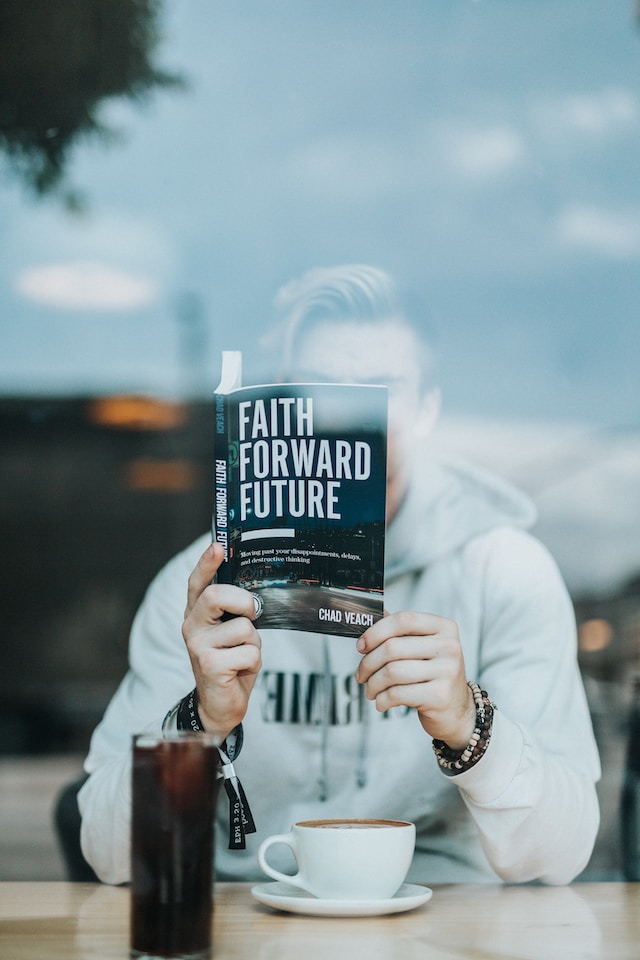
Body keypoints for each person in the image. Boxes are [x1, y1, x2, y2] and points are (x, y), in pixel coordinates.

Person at [78, 264, 600, 886]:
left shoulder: (504, 573)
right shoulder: (205, 584)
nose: (352, 417)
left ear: (428, 408)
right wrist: (200, 723)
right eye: (325, 389)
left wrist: (468, 725)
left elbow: (563, 855)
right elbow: (107, 855)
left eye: (381, 390)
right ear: (283, 404)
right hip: (251, 924)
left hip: (447, 924)